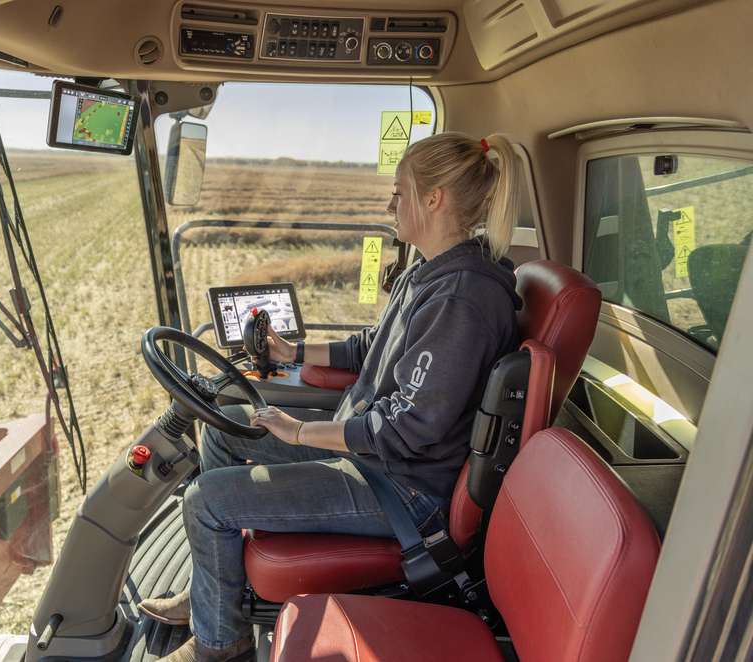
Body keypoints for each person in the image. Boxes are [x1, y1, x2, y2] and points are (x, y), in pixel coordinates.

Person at [142, 133, 524, 662]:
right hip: (374, 456)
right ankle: (210, 595)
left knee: (204, 501)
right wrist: (292, 351)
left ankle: (219, 648)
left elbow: (409, 427)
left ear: (433, 199)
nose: (391, 205)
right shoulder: (429, 272)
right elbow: (371, 347)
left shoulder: (463, 297)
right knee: (227, 428)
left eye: (399, 193)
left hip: (402, 485)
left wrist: (301, 432)